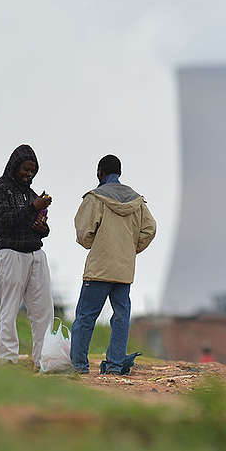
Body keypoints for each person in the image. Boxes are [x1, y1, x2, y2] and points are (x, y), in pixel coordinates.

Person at [70, 155, 157, 374]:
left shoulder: (95, 198)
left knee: (86, 317)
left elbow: (83, 234)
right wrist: (130, 249)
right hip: (124, 270)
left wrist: (95, 245)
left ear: (100, 172)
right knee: (121, 317)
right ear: (119, 173)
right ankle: (115, 365)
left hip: (98, 269)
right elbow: (150, 229)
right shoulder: (137, 201)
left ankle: (78, 365)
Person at [0, 145, 54, 368]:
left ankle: (43, 361)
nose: (29, 174)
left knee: (44, 311)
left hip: (36, 254)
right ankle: (7, 359)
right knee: (10, 309)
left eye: (33, 171)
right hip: (10, 254)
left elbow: (41, 229)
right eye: (25, 169)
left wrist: (42, 227)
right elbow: (3, 220)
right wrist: (33, 207)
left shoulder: (33, 195)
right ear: (14, 166)